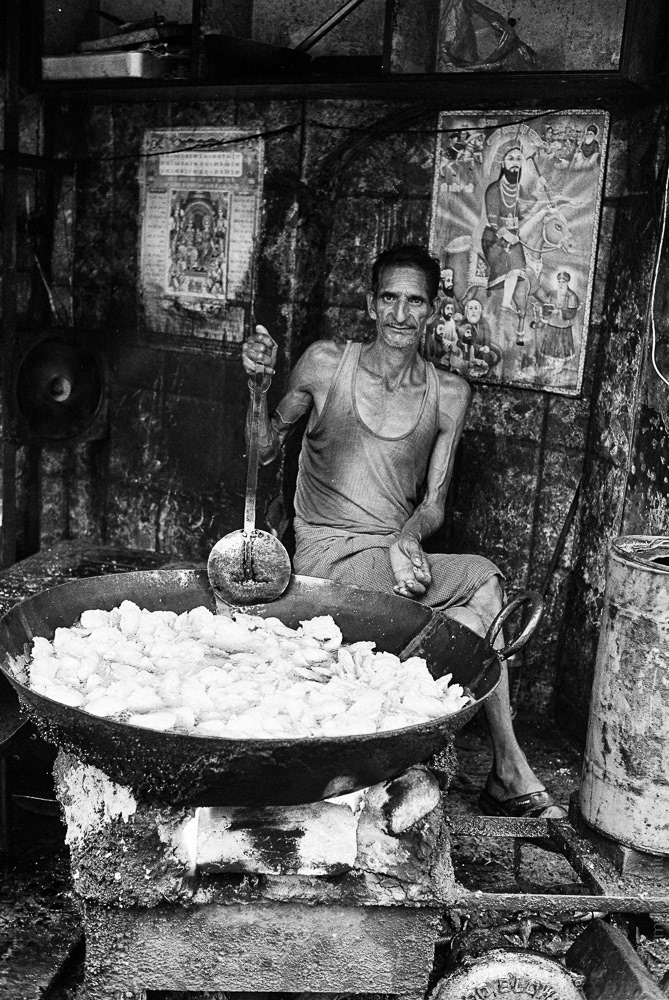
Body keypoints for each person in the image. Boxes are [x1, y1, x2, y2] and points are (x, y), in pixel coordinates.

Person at [241, 243, 564, 819]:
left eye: (414, 302)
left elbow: (434, 505)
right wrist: (256, 388)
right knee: (483, 586)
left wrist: (407, 536)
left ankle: (429, 764)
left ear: (433, 311)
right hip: (326, 560)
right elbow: (263, 451)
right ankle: (508, 769)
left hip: (392, 560)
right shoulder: (323, 363)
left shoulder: (448, 394)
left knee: (472, 616)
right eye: (389, 298)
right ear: (370, 303)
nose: (400, 314)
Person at [481, 140, 535, 313]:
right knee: (514, 258)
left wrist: (538, 199)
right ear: (503, 163)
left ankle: (506, 303)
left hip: (514, 236)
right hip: (493, 237)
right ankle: (503, 302)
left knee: (521, 260)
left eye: (519, 159)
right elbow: (493, 219)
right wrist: (506, 234)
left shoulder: (521, 190)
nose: (515, 163)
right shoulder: (494, 189)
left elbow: (525, 213)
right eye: (511, 159)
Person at [538, 271, 580, 365]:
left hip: (563, 327)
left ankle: (559, 366)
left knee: (561, 348)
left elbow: (571, 314)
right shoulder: (552, 293)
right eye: (559, 282)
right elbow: (546, 304)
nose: (561, 284)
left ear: (567, 283)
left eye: (563, 282)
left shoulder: (572, 296)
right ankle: (550, 363)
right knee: (550, 347)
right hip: (551, 324)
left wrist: (560, 312)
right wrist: (545, 311)